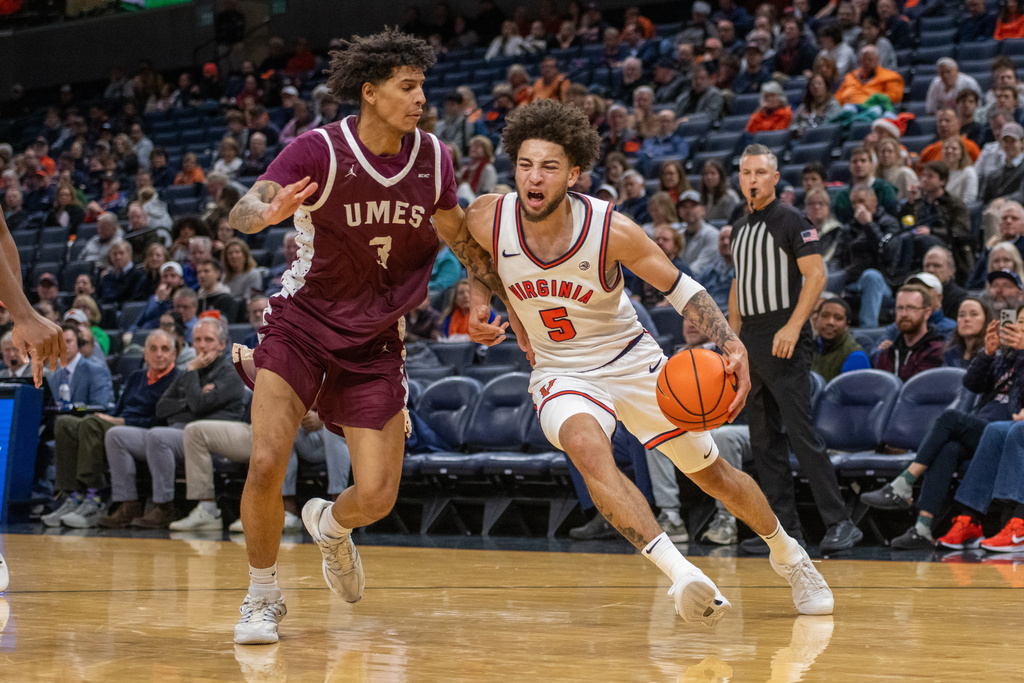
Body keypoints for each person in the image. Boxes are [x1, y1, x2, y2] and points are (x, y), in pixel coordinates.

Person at [465, 101, 835, 626]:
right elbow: (474, 254)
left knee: (715, 476)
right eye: (525, 164)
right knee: (588, 450)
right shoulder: (487, 215)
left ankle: (789, 555)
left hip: (631, 361)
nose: (533, 176)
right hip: (559, 371)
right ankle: (682, 574)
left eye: (548, 166)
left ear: (573, 173)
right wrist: (486, 302)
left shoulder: (609, 230)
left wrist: (731, 343)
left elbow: (680, 288)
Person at [225, 29, 514, 645]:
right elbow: (243, 211)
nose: (420, 98)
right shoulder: (319, 150)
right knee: (267, 459)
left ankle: (330, 525)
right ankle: (262, 596)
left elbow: (458, 235)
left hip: (377, 338)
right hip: (301, 324)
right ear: (370, 92)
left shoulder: (434, 157)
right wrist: (266, 214)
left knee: (378, 496)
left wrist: (486, 291)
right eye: (407, 87)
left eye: (422, 86)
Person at [728, 143, 863, 555]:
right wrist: (732, 341)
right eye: (746, 172)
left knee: (801, 434)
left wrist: (793, 325)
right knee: (764, 440)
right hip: (750, 336)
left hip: (783, 333)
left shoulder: (791, 219)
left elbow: (816, 276)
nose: (752, 179)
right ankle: (784, 535)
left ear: (774, 178)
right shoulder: (738, 225)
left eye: (759, 172)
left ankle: (840, 523)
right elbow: (738, 284)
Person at [861, 309, 1024, 548]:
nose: (1019, 327)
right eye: (1018, 321)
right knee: (949, 448)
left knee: (950, 419)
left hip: (1007, 431)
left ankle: (904, 482)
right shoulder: (1005, 357)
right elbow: (972, 384)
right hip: (985, 428)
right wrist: (988, 354)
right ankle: (923, 527)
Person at [42, 330, 179, 529]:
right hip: (119, 421)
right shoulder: (137, 376)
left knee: (91, 424)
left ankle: (95, 496)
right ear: (146, 354)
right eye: (154, 349)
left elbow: (161, 418)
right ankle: (73, 495)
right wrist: (111, 417)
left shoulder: (176, 378)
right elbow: (119, 407)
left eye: (165, 349)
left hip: (144, 429)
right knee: (65, 423)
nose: (159, 354)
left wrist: (119, 421)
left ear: (173, 354)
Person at [873, 284, 946, 380]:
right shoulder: (887, 353)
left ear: (927, 313)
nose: (903, 314)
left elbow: (919, 390)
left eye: (911, 308)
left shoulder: (937, 351)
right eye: (900, 308)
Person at [811, 298, 870, 381]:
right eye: (825, 316)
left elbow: (854, 392)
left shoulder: (856, 357)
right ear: (816, 320)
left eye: (838, 318)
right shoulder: (807, 347)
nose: (830, 322)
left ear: (847, 325)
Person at [835, 45, 904, 106]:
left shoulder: (891, 76)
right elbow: (838, 97)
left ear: (877, 60)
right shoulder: (850, 77)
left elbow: (895, 98)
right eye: (864, 59)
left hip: (873, 111)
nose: (867, 62)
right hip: (846, 111)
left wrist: (870, 99)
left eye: (870, 59)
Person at [944, 297, 993, 368]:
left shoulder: (992, 355)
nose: (966, 319)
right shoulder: (949, 353)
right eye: (961, 315)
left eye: (974, 314)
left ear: (986, 320)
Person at [943, 137, 979, 204]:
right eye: (946, 148)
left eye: (954, 148)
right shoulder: (940, 171)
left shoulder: (969, 172)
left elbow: (970, 199)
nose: (949, 151)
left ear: (961, 153)